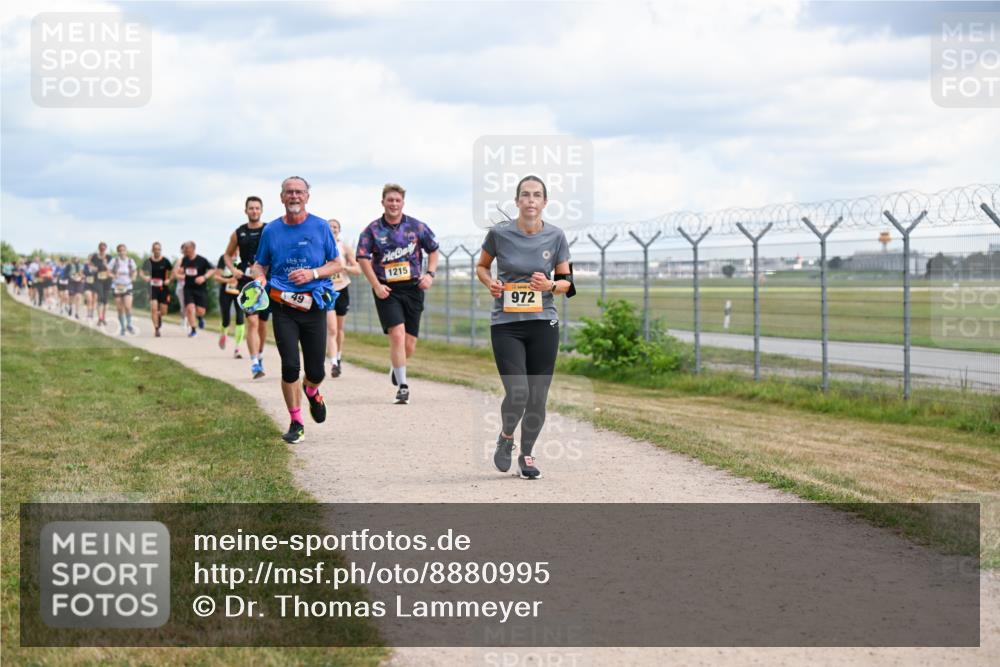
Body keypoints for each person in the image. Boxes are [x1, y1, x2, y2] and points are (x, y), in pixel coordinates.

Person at [476, 175, 573, 479]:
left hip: (544, 322)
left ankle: (527, 455)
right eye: (525, 195)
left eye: (537, 195)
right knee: (518, 392)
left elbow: (568, 284)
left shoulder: (556, 236)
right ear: (517, 201)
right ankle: (506, 438)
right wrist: (490, 282)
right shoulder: (499, 234)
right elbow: (482, 266)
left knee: (537, 396)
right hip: (507, 324)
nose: (531, 200)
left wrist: (550, 284)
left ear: (545, 202)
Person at [249, 176, 341, 444]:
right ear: (281, 197)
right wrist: (260, 278)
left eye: (299, 192)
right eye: (289, 192)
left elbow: (336, 264)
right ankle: (296, 421)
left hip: (313, 305)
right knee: (290, 366)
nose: (294, 197)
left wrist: (313, 273)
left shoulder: (321, 227)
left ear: (307, 197)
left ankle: (312, 392)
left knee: (316, 372)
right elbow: (260, 264)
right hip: (282, 305)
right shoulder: (271, 231)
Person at [356, 183, 439, 404]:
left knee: (409, 344)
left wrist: (429, 274)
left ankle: (397, 366)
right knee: (397, 334)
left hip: (413, 288)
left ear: (403, 203)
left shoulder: (416, 227)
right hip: (387, 289)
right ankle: (403, 386)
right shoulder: (372, 230)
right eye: (390, 200)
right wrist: (375, 285)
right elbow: (362, 257)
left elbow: (433, 249)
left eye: (397, 200)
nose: (394, 204)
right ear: (382, 202)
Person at [225, 196, 270, 378]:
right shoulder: (239, 233)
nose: (254, 211)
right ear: (246, 211)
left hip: (266, 280)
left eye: (257, 208)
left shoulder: (269, 230)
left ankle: (259, 355)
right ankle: (254, 364)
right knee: (251, 321)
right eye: (251, 208)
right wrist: (233, 270)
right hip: (247, 281)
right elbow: (227, 255)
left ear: (261, 210)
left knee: (262, 324)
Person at [325, 218, 362, 377]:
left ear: (339, 230)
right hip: (327, 290)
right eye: (330, 226)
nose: (332, 229)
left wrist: (343, 267)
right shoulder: (321, 246)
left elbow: (358, 269)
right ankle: (333, 362)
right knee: (331, 329)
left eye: (335, 227)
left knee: (339, 329)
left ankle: (338, 356)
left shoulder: (344, 248)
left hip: (342, 289)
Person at [177, 241, 214, 337]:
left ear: (192, 249)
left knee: (201, 311)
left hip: (200, 289)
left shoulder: (202, 260)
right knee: (189, 308)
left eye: (186, 248)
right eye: (184, 248)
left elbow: (212, 269)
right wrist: (180, 273)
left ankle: (200, 318)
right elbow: (180, 271)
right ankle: (193, 330)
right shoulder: (184, 260)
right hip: (188, 288)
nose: (184, 250)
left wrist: (204, 277)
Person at [215, 253, 245, 358]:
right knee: (226, 319)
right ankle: (224, 334)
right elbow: (216, 277)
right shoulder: (224, 258)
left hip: (240, 291)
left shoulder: (244, 257)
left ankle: (237, 348)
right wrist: (228, 280)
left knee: (240, 318)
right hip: (225, 291)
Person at [140, 242, 173, 337]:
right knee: (154, 308)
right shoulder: (148, 261)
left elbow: (172, 272)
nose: (157, 251)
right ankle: (156, 329)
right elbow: (141, 272)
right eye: (155, 249)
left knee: (164, 311)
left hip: (163, 288)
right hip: (152, 288)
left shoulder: (165, 261)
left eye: (159, 249)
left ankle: (159, 316)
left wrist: (169, 279)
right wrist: (145, 277)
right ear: (152, 250)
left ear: (160, 250)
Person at [108, 243, 138, 335]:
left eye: (123, 250)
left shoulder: (130, 261)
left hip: (128, 286)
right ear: (118, 252)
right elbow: (108, 272)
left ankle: (129, 325)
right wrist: (113, 275)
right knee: (120, 308)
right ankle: (122, 328)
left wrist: (133, 276)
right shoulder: (114, 261)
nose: (122, 252)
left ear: (126, 251)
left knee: (128, 307)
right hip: (117, 286)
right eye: (120, 251)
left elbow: (135, 271)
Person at [89, 243, 112, 327]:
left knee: (105, 300)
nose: (102, 250)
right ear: (98, 248)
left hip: (107, 280)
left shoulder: (109, 257)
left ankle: (104, 318)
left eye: (104, 248)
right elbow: (90, 265)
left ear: (106, 249)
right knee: (100, 297)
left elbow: (111, 269)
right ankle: (100, 318)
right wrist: (93, 268)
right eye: (101, 248)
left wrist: (106, 264)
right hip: (98, 280)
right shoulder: (95, 256)